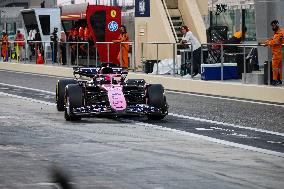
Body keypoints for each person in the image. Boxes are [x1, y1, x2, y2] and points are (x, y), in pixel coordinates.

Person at [261, 20, 283, 85]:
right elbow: (271, 39)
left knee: (275, 68)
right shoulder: (277, 33)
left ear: (277, 25)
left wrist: (267, 43)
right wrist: (263, 43)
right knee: (278, 68)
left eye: (273, 26)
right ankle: (279, 80)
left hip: (277, 53)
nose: (272, 27)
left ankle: (275, 80)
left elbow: (275, 42)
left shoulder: (280, 33)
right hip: (277, 53)